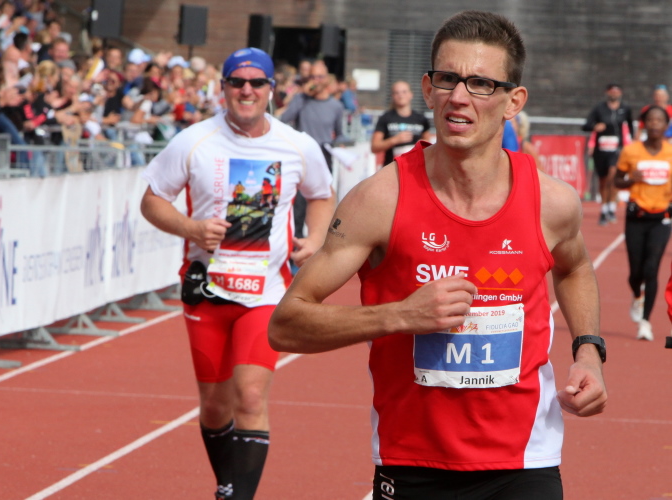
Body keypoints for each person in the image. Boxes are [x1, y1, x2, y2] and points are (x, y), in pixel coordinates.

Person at [269, 10, 608, 499]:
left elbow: (575, 268)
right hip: (413, 463)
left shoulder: (551, 202)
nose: (459, 97)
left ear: (514, 101)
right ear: (428, 90)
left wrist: (589, 352)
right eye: (448, 79)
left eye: (481, 84)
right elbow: (286, 324)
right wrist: (400, 315)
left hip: (524, 461)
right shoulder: (379, 200)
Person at [139, 47, 334, 500]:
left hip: (266, 293)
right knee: (214, 407)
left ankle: (238, 496)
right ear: (223, 88)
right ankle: (227, 484)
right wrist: (191, 228)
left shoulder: (296, 144)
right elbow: (151, 201)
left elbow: (322, 195)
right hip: (207, 291)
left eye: (256, 82)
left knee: (248, 397)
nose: (247, 90)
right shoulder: (194, 141)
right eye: (237, 82)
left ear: (271, 90)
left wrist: (317, 237)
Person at [614, 105, 672, 341]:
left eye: (659, 120)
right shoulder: (631, 151)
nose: (655, 123)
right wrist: (630, 179)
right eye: (651, 120)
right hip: (636, 217)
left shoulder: (670, 152)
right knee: (636, 272)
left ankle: (645, 322)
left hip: (662, 219)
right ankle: (636, 295)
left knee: (652, 269)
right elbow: (617, 181)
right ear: (644, 124)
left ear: (666, 125)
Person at [279, 59, 345, 243]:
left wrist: (339, 145)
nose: (316, 81)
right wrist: (302, 96)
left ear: (327, 78)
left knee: (322, 202)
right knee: (298, 206)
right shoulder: (301, 99)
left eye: (320, 77)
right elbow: (284, 119)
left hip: (324, 157)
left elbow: (340, 133)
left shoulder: (335, 106)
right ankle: (295, 244)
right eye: (312, 77)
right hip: (301, 159)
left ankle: (318, 243)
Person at [582, 83, 634, 225]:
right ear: (607, 93)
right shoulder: (599, 108)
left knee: (613, 175)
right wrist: (595, 126)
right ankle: (604, 209)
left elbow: (630, 127)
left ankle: (612, 207)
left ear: (620, 93)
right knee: (603, 180)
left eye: (617, 91)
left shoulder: (625, 109)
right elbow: (586, 125)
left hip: (617, 149)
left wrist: (629, 144)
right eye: (612, 91)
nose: (614, 94)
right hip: (601, 149)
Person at [371, 80, 431, 166]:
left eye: (404, 92)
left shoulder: (421, 119)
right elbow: (374, 147)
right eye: (397, 93)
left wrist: (420, 144)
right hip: (392, 167)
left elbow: (428, 143)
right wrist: (395, 140)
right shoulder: (385, 118)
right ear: (392, 96)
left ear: (411, 94)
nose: (401, 95)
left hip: (414, 167)